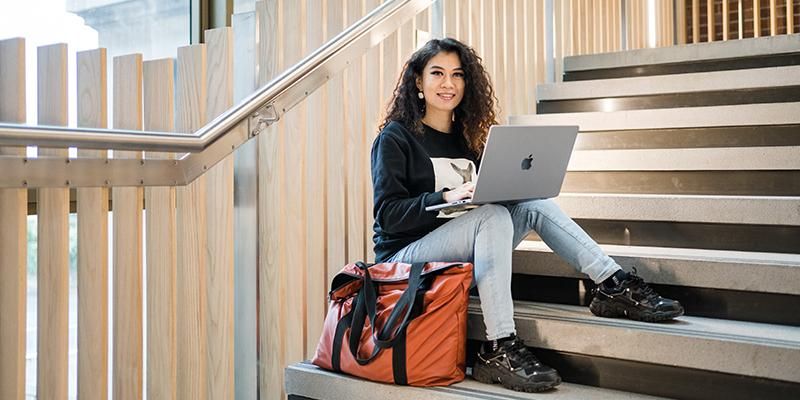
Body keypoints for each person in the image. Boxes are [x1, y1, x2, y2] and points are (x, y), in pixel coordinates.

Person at [370, 38, 684, 393]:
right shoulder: (395, 138)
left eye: (457, 75)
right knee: (492, 217)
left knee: (532, 203)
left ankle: (610, 284)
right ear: (418, 82)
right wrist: (445, 196)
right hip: (404, 263)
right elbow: (388, 216)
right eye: (437, 73)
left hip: (459, 253)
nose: (448, 84)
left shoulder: (468, 137)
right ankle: (498, 346)